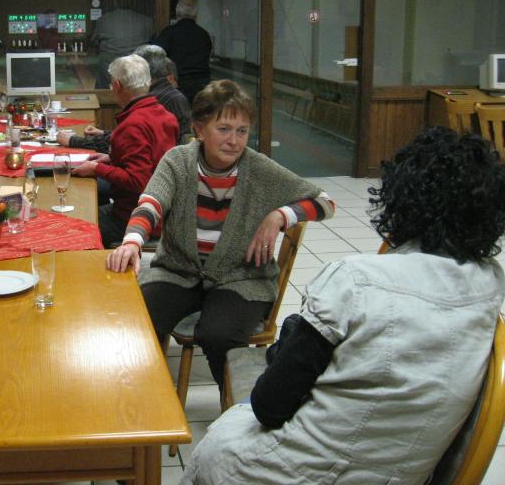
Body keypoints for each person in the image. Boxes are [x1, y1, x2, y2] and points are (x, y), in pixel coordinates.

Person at [180, 126, 505, 485]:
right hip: (401, 474)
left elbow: (269, 406)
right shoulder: (490, 284)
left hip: (294, 473)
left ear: (402, 198)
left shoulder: (354, 281)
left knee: (220, 442)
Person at [106, 79, 335, 390]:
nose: (234, 141)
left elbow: (325, 202)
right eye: (224, 129)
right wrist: (132, 241)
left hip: (240, 278)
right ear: (199, 129)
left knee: (218, 335)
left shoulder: (258, 169)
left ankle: (236, 405)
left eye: (242, 131)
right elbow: (151, 203)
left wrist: (280, 215)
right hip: (179, 272)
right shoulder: (178, 161)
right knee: (136, 319)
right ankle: (141, 394)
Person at [72, 54, 178, 245]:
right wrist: (111, 158)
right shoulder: (165, 115)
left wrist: (97, 168)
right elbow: (153, 162)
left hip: (136, 219)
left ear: (117, 85)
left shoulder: (132, 125)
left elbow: (139, 180)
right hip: (163, 213)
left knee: (75, 227)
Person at [57, 45, 191, 151]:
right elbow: (130, 138)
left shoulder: (154, 99)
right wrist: (104, 133)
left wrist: (75, 141)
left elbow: (122, 144)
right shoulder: (165, 93)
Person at [90, 0, 153, 89]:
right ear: (133, 2)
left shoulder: (103, 20)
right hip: (136, 78)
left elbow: (94, 44)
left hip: (108, 77)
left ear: (116, 2)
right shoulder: (147, 22)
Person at [153, 0, 213, 103]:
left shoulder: (169, 33)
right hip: (202, 86)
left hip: (178, 85)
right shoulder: (204, 35)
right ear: (195, 15)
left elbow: (157, 55)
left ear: (177, 13)